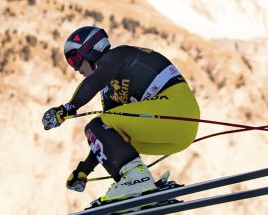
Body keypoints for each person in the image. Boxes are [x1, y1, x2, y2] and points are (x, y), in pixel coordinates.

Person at [42, 26, 201, 202]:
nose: (75, 68)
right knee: (106, 132)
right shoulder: (109, 89)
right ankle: (139, 187)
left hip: (175, 108)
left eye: (75, 59)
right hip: (180, 133)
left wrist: (66, 109)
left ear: (90, 50)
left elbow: (93, 82)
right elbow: (104, 137)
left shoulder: (116, 56)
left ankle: (137, 180)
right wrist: (84, 170)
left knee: (95, 124)